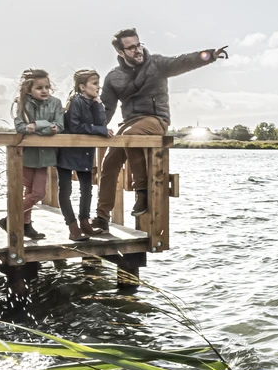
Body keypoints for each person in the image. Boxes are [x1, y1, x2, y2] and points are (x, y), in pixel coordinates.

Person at [91, 28, 227, 232]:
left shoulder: (157, 64)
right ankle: (102, 218)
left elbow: (183, 61)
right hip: (129, 122)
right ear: (121, 52)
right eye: (131, 47)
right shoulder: (114, 77)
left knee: (131, 136)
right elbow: (107, 110)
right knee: (109, 161)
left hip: (156, 119)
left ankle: (142, 192)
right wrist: (92, 125)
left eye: (138, 45)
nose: (137, 50)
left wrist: (209, 55)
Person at [0, 68, 63, 240]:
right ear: (29, 89)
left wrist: (36, 125)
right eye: (39, 88)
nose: (44, 91)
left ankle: (10, 218)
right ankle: (26, 225)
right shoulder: (22, 104)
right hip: (27, 155)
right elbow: (21, 128)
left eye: (47, 87)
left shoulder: (55, 103)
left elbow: (59, 126)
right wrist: (46, 127)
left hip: (45, 156)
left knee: (39, 193)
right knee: (29, 191)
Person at [56, 68, 111, 241]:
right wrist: (100, 130)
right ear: (82, 87)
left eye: (98, 83)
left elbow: (102, 122)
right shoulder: (76, 101)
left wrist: (98, 105)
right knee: (65, 189)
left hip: (85, 152)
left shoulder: (94, 102)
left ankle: (85, 223)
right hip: (67, 150)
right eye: (94, 84)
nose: (98, 87)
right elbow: (75, 127)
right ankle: (73, 227)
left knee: (87, 188)